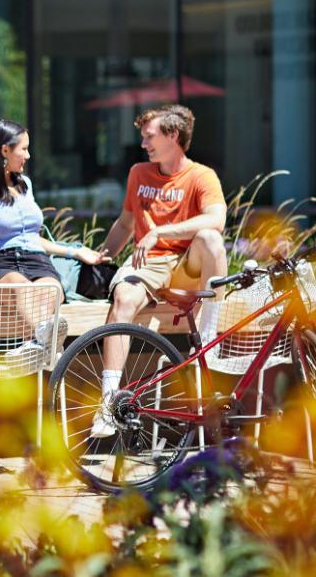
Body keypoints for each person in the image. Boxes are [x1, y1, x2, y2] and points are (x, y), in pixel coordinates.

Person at [92, 105, 226, 437]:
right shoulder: (139, 173)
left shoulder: (201, 176)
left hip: (186, 264)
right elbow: (125, 223)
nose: (142, 143)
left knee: (210, 239)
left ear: (172, 136)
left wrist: (161, 232)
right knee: (123, 297)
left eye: (148, 136)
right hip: (148, 263)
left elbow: (216, 221)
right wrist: (103, 255)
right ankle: (109, 403)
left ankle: (208, 339)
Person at [0, 119, 102, 357]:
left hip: (39, 261)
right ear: (5, 150)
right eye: (23, 149)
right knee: (23, 290)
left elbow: (33, 238)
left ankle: (34, 349)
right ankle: (52, 351)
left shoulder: (25, 185)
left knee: (51, 292)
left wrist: (75, 252)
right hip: (3, 263)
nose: (28, 155)